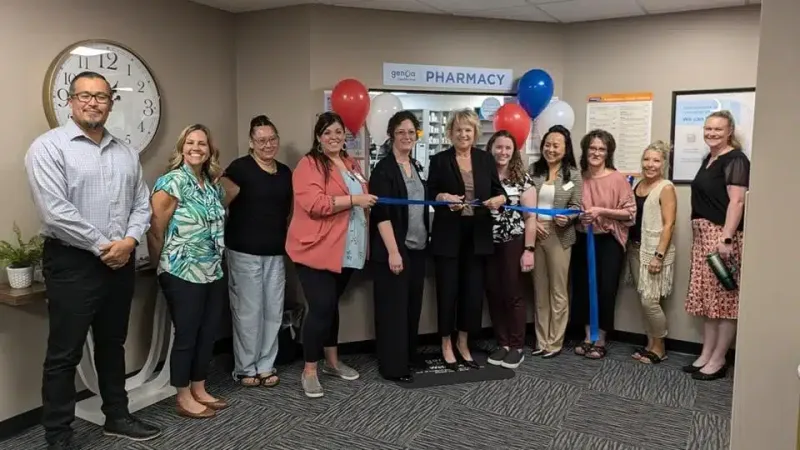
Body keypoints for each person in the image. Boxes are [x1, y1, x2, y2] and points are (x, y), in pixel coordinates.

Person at [24, 71, 160, 449]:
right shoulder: (49, 148)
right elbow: (55, 212)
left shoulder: (126, 152)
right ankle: (58, 435)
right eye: (84, 95)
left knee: (112, 343)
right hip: (73, 262)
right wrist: (107, 246)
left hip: (120, 260)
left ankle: (116, 416)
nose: (93, 102)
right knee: (64, 353)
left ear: (111, 102)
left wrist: (130, 241)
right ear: (71, 101)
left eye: (101, 96)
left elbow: (140, 203)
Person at [286, 112, 377, 398]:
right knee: (322, 308)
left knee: (330, 306)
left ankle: (332, 362)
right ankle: (310, 369)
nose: (334, 137)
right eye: (328, 133)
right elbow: (314, 204)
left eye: (338, 132)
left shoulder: (351, 163)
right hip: (315, 249)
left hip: (345, 251)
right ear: (318, 137)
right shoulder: (308, 164)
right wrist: (355, 200)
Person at [148, 124, 227, 418]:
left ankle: (199, 386)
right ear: (182, 147)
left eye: (202, 143)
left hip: (212, 268)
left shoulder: (211, 183)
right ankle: (182, 395)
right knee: (187, 333)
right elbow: (155, 231)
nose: (196, 148)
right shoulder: (171, 183)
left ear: (209, 150)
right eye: (191, 142)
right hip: (181, 270)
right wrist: (161, 267)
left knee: (208, 332)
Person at [427, 108, 506, 370]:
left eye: (468, 130)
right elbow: (431, 194)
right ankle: (446, 343)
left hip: (478, 235)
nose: (463, 134)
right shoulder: (439, 160)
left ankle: (463, 343)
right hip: (448, 235)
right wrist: (443, 198)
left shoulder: (485, 160)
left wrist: (499, 199)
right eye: (458, 129)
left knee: (472, 294)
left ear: (475, 133)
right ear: (450, 133)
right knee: (447, 292)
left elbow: (499, 191)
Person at [220, 115, 292, 388]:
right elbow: (219, 204)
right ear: (251, 143)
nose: (268, 144)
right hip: (244, 252)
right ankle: (245, 367)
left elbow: (289, 213)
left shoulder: (285, 172)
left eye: (272, 139)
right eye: (261, 140)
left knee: (273, 311)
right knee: (248, 311)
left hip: (275, 253)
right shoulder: (239, 169)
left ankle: (266, 365)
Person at [683, 110, 749, 380]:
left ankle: (720, 358)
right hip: (702, 236)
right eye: (708, 128)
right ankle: (706, 353)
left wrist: (727, 238)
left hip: (721, 237)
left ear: (729, 131)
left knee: (725, 301)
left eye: (718, 130)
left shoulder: (736, 159)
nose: (711, 133)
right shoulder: (710, 158)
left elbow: (737, 202)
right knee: (708, 301)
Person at [368, 110, 429, 382]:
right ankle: (393, 366)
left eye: (411, 132)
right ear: (391, 135)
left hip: (417, 248)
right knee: (393, 309)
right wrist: (393, 251)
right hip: (394, 251)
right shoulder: (383, 170)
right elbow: (381, 214)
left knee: (411, 306)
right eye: (401, 131)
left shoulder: (414, 166)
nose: (406, 136)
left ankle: (408, 356)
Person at [571, 129, 636, 360]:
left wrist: (601, 212)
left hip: (609, 241)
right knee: (583, 287)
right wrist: (581, 216)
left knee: (605, 288)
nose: (596, 153)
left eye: (601, 149)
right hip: (583, 239)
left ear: (608, 153)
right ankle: (588, 335)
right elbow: (573, 208)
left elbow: (630, 214)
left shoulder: (617, 179)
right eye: (592, 148)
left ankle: (601, 338)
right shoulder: (579, 177)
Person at [484, 131, 537, 369]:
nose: (503, 152)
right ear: (491, 148)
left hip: (513, 241)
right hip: (487, 243)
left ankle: (516, 346)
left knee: (513, 293)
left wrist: (529, 249)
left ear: (514, 151)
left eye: (508, 148)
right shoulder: (483, 176)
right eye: (499, 147)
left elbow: (531, 218)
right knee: (494, 293)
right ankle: (502, 343)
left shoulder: (523, 180)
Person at [529, 125, 582, 358]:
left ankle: (555, 341)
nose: (550, 149)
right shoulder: (533, 171)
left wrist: (567, 218)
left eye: (556, 145)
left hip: (560, 236)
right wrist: (533, 223)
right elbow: (525, 202)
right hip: (535, 233)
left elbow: (576, 207)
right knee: (539, 289)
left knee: (558, 291)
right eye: (547, 144)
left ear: (566, 148)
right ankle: (541, 341)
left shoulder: (573, 175)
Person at [627, 141, 677, 364]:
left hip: (653, 253)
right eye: (647, 159)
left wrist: (659, 255)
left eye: (656, 160)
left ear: (664, 163)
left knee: (650, 302)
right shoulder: (638, 185)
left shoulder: (665, 187)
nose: (650, 164)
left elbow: (669, 224)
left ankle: (660, 346)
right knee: (643, 299)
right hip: (635, 249)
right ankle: (650, 344)